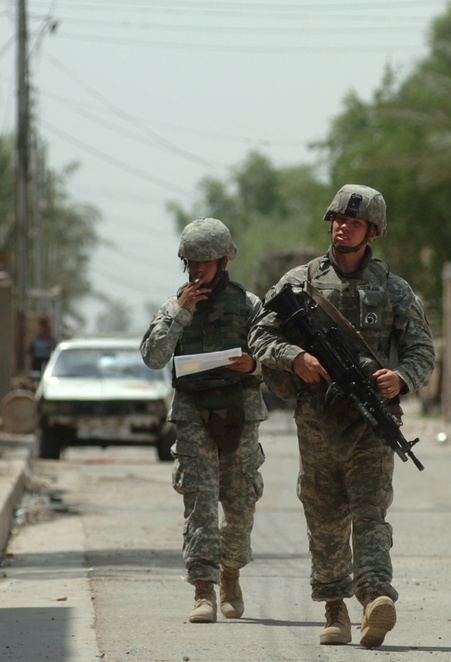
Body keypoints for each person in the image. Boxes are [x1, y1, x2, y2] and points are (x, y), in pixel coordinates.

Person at [249, 184, 435, 648]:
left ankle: (374, 597)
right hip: (317, 420)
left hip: (371, 422)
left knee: (370, 511)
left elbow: (422, 351)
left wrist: (402, 379)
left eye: (352, 222)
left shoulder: (394, 290)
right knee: (324, 513)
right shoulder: (299, 283)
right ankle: (334, 608)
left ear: (372, 231)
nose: (341, 226)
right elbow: (258, 337)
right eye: (336, 219)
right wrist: (295, 358)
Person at [140, 217, 267, 624]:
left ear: (225, 260)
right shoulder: (174, 306)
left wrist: (252, 363)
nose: (198, 270)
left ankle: (231, 575)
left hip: (240, 415)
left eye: (206, 263)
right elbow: (153, 357)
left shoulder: (250, 305)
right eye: (191, 263)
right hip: (193, 414)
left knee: (241, 504)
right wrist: (180, 313)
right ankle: (203, 590)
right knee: (199, 504)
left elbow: (275, 358)